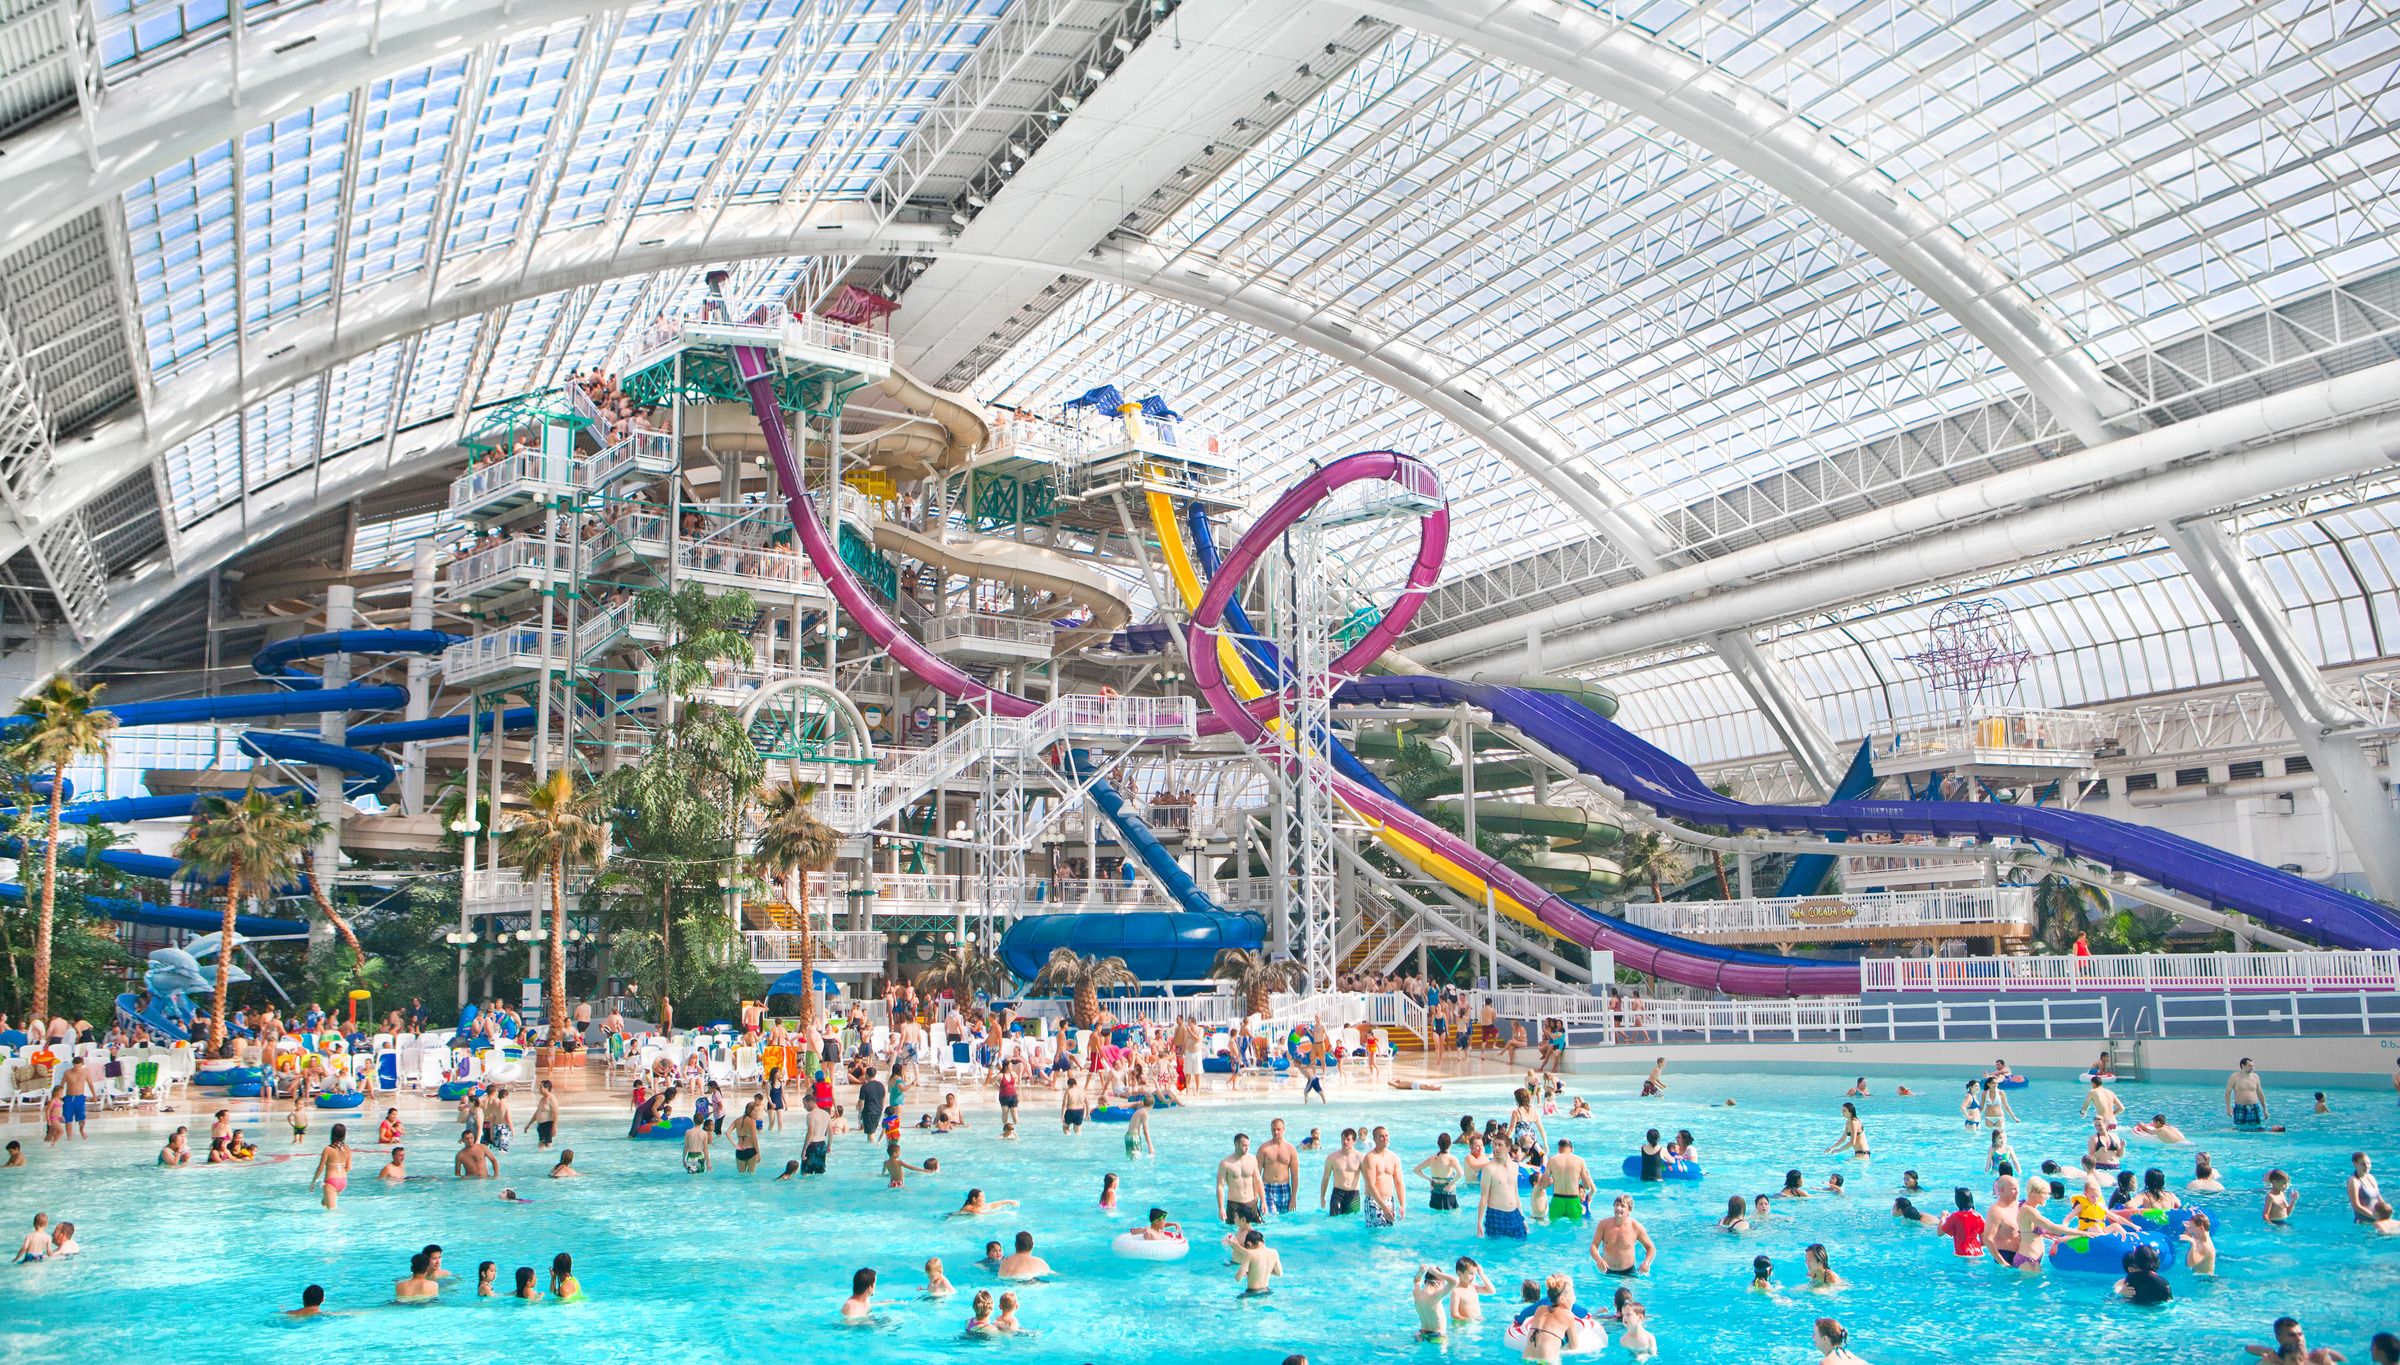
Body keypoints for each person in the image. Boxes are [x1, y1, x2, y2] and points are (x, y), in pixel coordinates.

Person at [1590, 1194, 1655, 1275]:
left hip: (1628, 1273)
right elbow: (1594, 1246)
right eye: (1617, 1205)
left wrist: (1646, 1263)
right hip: (1606, 1271)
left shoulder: (1636, 1227)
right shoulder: (1603, 1225)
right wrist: (1598, 1259)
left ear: (1629, 1210)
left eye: (1622, 1206)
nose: (1618, 1208)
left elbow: (1651, 1248)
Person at [2244, 1315, 2347, 1363]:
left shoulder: (2318, 1358)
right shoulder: (2272, 1360)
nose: (2299, 1339)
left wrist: (2328, 1351)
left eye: (2300, 1334)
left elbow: (2344, 1361)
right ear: (2279, 1338)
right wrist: (2267, 1350)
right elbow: (2247, 1348)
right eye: (2292, 1335)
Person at [1362, 1125, 1406, 1227]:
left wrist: (1402, 1205)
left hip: (1389, 1200)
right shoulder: (1370, 1158)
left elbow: (1399, 1183)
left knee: (1388, 1234)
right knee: (1375, 1234)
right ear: (1375, 1139)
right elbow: (1370, 1185)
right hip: (1374, 1201)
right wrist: (1384, 1208)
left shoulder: (1394, 1158)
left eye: (1387, 1135)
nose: (1385, 1138)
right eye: (1382, 1136)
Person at [1216, 1132, 1265, 1225]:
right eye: (1244, 1145)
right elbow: (1220, 1186)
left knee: (1259, 1229)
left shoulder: (1252, 1159)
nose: (1247, 1148)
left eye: (1248, 1145)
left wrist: (1263, 1201)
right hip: (1234, 1205)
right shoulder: (1225, 1163)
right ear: (1236, 1144)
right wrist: (1221, 1208)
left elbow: (1258, 1181)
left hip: (1251, 1203)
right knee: (1232, 1233)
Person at [1543, 1139, 1593, 1223]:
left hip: (1557, 1199)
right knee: (1576, 1229)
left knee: (1553, 1228)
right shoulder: (1580, 1161)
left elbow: (1544, 1184)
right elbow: (1587, 1186)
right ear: (1572, 1149)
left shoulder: (1552, 1160)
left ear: (1559, 1148)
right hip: (1573, 1200)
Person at [1258, 1119, 1300, 1217]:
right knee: (1269, 1218)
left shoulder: (1291, 1150)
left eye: (1278, 1129)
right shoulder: (1264, 1149)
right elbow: (1256, 1174)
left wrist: (1293, 1198)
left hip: (1284, 1189)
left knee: (1284, 1219)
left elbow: (1294, 1176)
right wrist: (1255, 1195)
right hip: (1267, 1189)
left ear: (1284, 1129)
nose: (1276, 1132)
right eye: (1273, 1130)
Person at [310, 1122, 353, 1212]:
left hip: (331, 1182)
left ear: (333, 1134)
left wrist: (313, 1182)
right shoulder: (347, 1149)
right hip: (343, 1181)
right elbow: (349, 1168)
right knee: (324, 1203)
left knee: (332, 1212)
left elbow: (320, 1168)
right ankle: (326, 1199)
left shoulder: (328, 1149)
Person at [1411, 1264, 1460, 1341]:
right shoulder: (1435, 1294)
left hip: (1422, 1334)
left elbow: (1417, 1281)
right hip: (1437, 1336)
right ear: (1440, 1282)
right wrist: (1435, 1272)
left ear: (1425, 1281)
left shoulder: (1416, 1293)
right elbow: (1455, 1281)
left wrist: (1421, 1272)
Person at [1227, 1227, 1279, 1297]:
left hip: (1252, 1293)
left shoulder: (1250, 1254)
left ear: (1249, 1244)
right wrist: (1257, 1271)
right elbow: (1279, 1273)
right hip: (1267, 1292)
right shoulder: (1274, 1252)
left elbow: (1238, 1278)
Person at [1938, 1186, 1984, 1258]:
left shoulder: (1955, 1217)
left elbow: (1940, 1233)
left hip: (1962, 1254)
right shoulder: (1979, 1216)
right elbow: (1983, 1242)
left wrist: (1943, 1217)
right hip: (1978, 1253)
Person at [2228, 1057, 2272, 1129]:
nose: (2252, 1068)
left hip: (2254, 1107)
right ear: (2243, 1066)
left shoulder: (2255, 1077)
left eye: (2252, 1066)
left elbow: (2260, 1093)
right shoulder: (2234, 1077)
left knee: (2257, 1128)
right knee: (2238, 1128)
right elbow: (2228, 1093)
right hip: (2240, 1107)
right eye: (2250, 1066)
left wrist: (2265, 1109)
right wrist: (2228, 1108)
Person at [2349, 1153, 2385, 1223]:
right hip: (2363, 1223)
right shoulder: (2354, 1181)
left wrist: (2386, 1214)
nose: (2367, 1166)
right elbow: (2356, 1206)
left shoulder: (2371, 1178)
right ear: (2355, 1164)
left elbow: (2379, 1198)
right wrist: (2374, 1216)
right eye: (2363, 1164)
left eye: (2368, 1163)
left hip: (2377, 1221)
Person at [2182, 1209, 2216, 1273]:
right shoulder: (2200, 1237)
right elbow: (2185, 1234)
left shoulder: (2205, 1246)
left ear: (2201, 1228)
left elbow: (2190, 1264)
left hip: (2204, 1280)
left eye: (2192, 1227)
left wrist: (2193, 1244)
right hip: (2200, 1278)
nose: (2190, 1230)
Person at [532, 1080, 558, 1149]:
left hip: (548, 1125)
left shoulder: (551, 1098)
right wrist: (528, 1124)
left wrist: (554, 1127)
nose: (539, 1089)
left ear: (546, 1088)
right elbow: (537, 1112)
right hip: (541, 1126)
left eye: (541, 1087)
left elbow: (556, 1113)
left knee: (547, 1146)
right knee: (541, 1146)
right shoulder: (542, 1099)